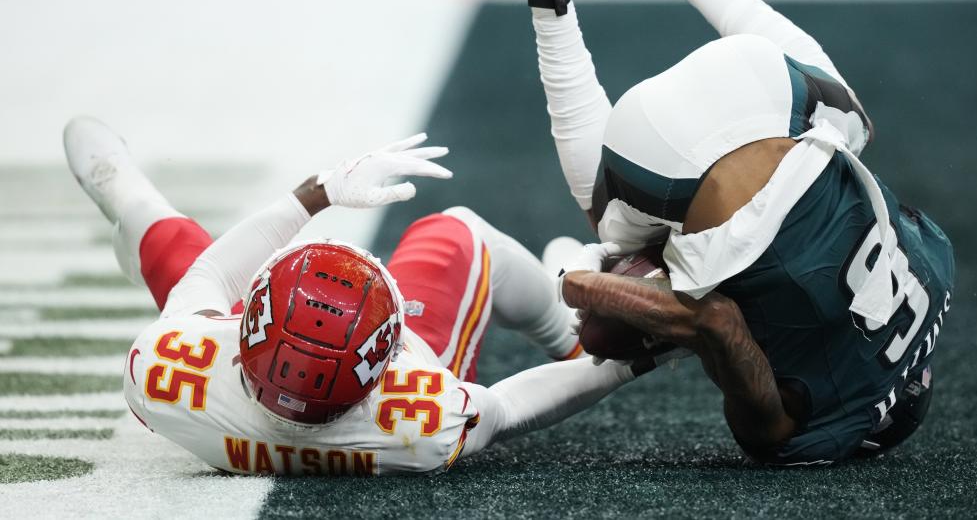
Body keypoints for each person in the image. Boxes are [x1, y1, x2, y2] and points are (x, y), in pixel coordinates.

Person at [468, 0, 954, 464]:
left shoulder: (938, 271)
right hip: (664, 150)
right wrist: (580, 281)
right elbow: (716, 322)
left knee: (851, 124)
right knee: (613, 263)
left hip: (766, 78)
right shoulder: (817, 426)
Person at [63, 116, 668, 476]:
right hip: (364, 404)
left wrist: (317, 193)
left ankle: (127, 197)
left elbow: (211, 273)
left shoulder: (163, 374)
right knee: (452, 231)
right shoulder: (423, 418)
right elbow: (509, 407)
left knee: (179, 259)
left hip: (238, 404)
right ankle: (566, 326)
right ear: (389, 357)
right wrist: (622, 357)